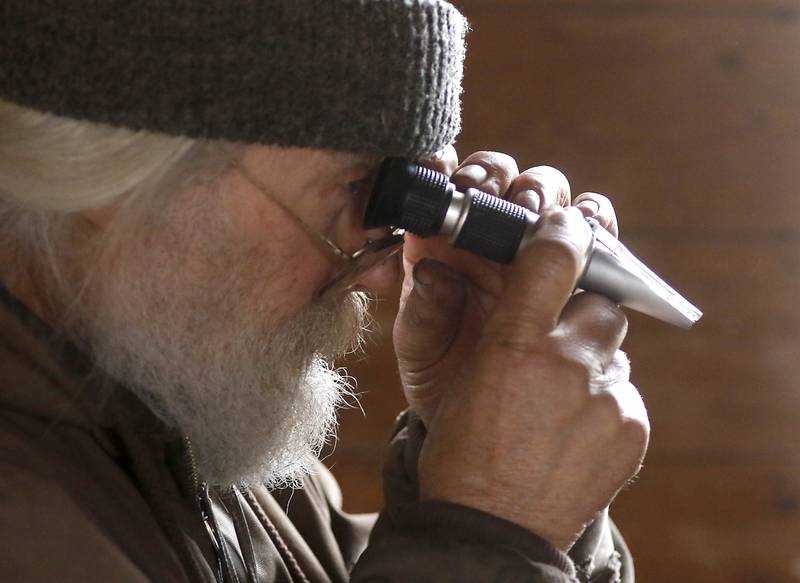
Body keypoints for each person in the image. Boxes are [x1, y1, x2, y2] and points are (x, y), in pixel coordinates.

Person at [0, 1, 649, 582]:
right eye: (351, 192)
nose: (379, 274)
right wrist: (493, 526)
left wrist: (482, 459)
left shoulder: (168, 397)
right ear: (108, 176)